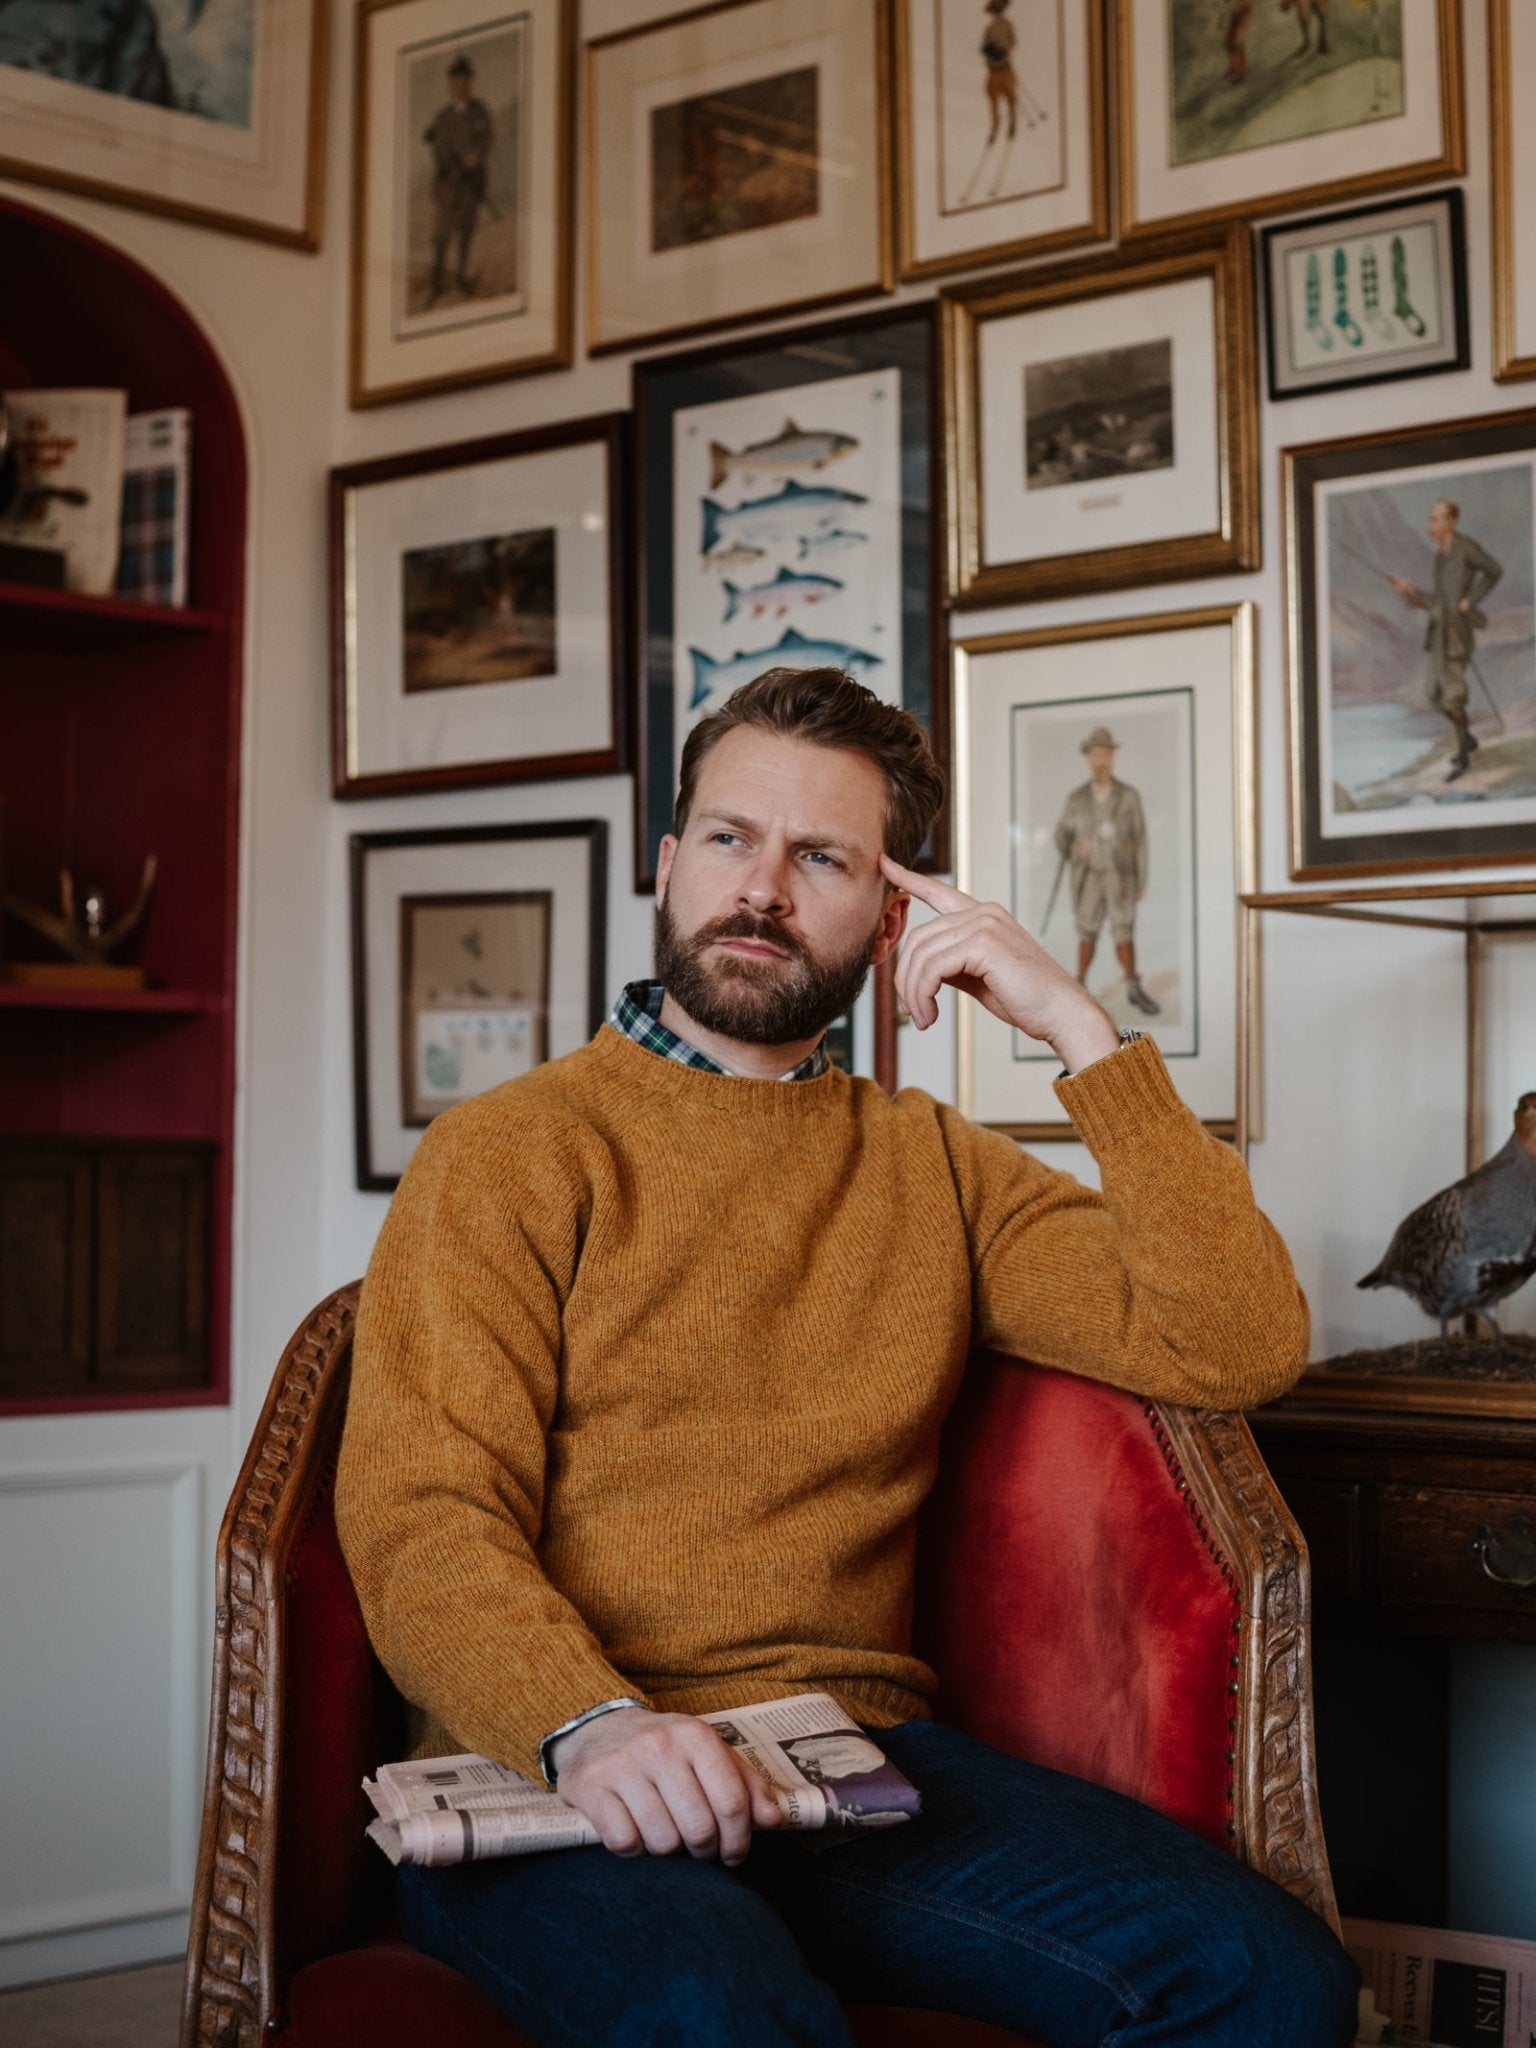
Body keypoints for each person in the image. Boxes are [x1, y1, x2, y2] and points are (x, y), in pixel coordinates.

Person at [336, 667, 1358, 2048]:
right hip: (562, 1778)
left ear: (892, 913)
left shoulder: (934, 1168)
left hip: (850, 1774)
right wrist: (592, 1723)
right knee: (721, 2013)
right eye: (727, 838)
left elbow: (1237, 1340)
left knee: (1276, 1983)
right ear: (668, 861)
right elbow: (422, 1517)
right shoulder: (512, 1153)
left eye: (819, 856)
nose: (760, 887)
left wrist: (1079, 1031)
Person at [1390, 497, 1503, 780]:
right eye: (1430, 519)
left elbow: (1494, 571)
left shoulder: (1466, 548)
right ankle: (1467, 738)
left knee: (1453, 697)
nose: (1430, 525)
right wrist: (1410, 592)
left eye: (1435, 519)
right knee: (1431, 694)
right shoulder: (1440, 555)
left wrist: (1470, 600)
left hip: (1457, 635)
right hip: (1438, 633)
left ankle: (1463, 756)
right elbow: (1439, 602)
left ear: (1451, 521)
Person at [1053, 725, 1159, 1017]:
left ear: (1112, 756)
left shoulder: (1128, 797)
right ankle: (1080, 986)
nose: (1101, 759)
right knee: (1087, 928)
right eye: (1096, 754)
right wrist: (1077, 848)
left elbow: (1140, 840)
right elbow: (1061, 835)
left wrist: (1141, 879)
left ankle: (1132, 987)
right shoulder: (1077, 799)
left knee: (1123, 928)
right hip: (1088, 877)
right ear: (1089, 757)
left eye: (1105, 754)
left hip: (1120, 875)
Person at [423, 53, 493, 307]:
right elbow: (438, 150)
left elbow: (486, 139)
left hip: (470, 187)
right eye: (455, 81)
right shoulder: (442, 117)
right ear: (450, 84)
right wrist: (450, 166)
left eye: (464, 80)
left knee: (465, 233)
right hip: (447, 188)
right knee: (441, 237)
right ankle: (436, 285)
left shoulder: (479, 111)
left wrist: (476, 156)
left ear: (470, 82)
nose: (459, 85)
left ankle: (462, 278)